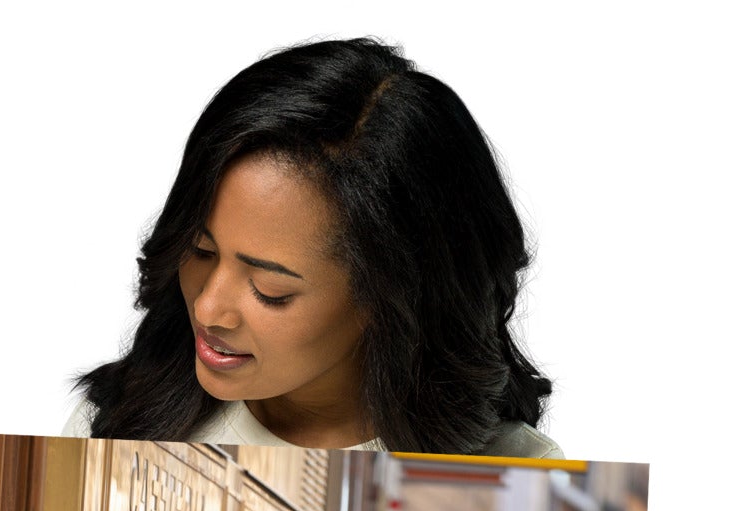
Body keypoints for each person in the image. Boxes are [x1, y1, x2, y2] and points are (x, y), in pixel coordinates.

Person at [62, 38, 557, 456]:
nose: (209, 308)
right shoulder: (112, 426)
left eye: (269, 289)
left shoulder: (519, 475)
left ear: (391, 300)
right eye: (200, 251)